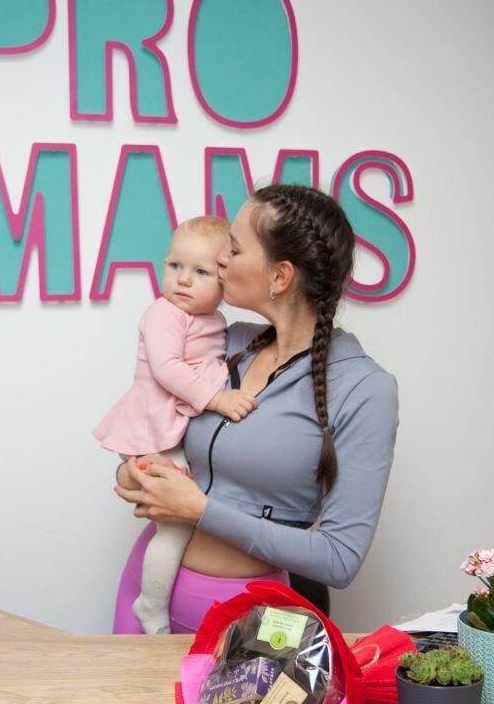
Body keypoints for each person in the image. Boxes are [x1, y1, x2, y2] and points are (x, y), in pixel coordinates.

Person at [112, 184, 399, 634]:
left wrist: (200, 510)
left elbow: (339, 559)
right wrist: (136, 473)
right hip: (148, 592)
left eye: (234, 248)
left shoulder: (364, 388)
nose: (220, 260)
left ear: (280, 277)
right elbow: (150, 418)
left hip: (251, 624)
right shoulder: (222, 341)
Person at [94, 216, 257, 633]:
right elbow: (167, 369)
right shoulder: (164, 313)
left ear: (224, 281)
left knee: (184, 514)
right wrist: (218, 399)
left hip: (171, 427)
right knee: (174, 526)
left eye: (201, 272)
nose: (183, 280)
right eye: (175, 266)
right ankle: (151, 604)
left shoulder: (215, 322)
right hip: (152, 429)